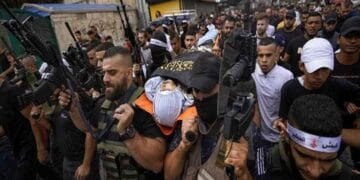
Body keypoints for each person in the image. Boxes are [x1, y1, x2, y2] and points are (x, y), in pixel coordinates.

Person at [59, 46, 166, 179]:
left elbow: (156, 164)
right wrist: (73, 108)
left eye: (112, 72)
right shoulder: (104, 103)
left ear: (128, 73)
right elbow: (89, 129)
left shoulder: (145, 105)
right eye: (104, 72)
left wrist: (128, 132)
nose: (105, 79)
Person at [164, 52, 254, 179]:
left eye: (206, 89)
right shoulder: (189, 122)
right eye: (196, 90)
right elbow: (169, 176)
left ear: (223, 88)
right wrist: (183, 146)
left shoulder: (242, 127)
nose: (200, 97)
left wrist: (243, 172)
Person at [234, 94, 360, 179]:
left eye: (327, 160)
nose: (315, 172)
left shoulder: (347, 176)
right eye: (304, 155)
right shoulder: (270, 164)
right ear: (288, 138)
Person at [277, 37, 360, 150]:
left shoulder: (339, 86)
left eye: (324, 69)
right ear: (302, 66)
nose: (319, 76)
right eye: (314, 70)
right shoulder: (289, 89)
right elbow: (286, 121)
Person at [251, 37, 294, 178]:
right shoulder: (252, 73)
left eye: (268, 55)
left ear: (277, 54)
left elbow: (291, 108)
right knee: (261, 175)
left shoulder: (286, 76)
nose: (264, 59)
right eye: (260, 55)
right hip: (261, 138)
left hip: (281, 139)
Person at [283, 12, 322, 77]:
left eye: (316, 23)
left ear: (321, 25)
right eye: (310, 23)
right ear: (305, 25)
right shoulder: (294, 42)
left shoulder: (324, 44)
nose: (313, 25)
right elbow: (285, 62)